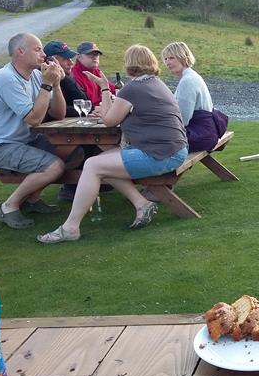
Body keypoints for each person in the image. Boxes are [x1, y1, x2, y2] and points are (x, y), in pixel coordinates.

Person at [37, 45, 188, 244]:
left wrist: (105, 91)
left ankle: (70, 228)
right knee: (100, 161)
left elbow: (108, 121)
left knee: (92, 166)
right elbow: (112, 117)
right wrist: (106, 88)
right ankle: (141, 204)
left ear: (130, 63)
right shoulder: (154, 83)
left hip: (160, 153)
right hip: (172, 149)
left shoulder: (133, 88)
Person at [0, 32, 67, 229]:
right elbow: (34, 119)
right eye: (38, 49)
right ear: (20, 52)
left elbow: (59, 114)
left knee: (70, 151)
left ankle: (32, 199)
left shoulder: (35, 75)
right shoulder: (6, 78)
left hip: (23, 140)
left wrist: (56, 84)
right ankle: (9, 206)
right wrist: (47, 84)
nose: (44, 54)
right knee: (54, 166)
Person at [162, 42, 228, 151]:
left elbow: (182, 119)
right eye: (165, 59)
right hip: (206, 132)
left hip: (200, 135)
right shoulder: (190, 76)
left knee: (152, 140)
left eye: (171, 58)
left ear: (183, 57)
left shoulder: (188, 81)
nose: (168, 62)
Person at [71, 41, 115, 107]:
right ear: (79, 57)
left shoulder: (97, 71)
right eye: (89, 54)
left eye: (96, 54)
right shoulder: (73, 74)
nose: (94, 57)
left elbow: (114, 90)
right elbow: (84, 102)